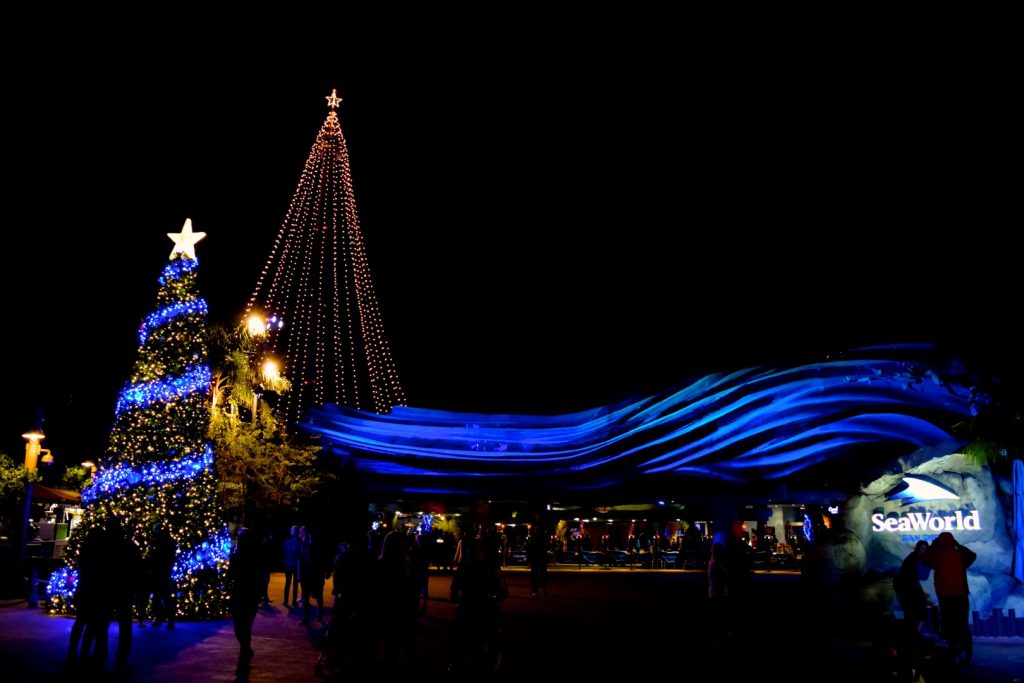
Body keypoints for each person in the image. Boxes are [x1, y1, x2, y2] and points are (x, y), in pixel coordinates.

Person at [923, 531, 976, 667]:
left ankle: (954, 655)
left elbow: (925, 558)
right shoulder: (960, 554)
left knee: (950, 626)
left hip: (945, 597)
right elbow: (972, 555)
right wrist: (957, 545)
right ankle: (968, 655)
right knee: (963, 626)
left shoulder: (937, 555)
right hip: (961, 596)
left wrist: (933, 545)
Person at [228, 528, 263, 677]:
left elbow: (258, 576)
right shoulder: (237, 557)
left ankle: (243, 659)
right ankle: (246, 651)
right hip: (242, 594)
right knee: (242, 627)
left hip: (247, 595)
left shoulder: (253, 557)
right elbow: (231, 575)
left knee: (243, 627)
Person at [893, 540, 931, 678]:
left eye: (925, 549)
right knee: (915, 613)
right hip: (907, 589)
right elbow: (921, 576)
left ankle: (912, 638)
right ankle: (912, 638)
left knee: (916, 612)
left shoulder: (914, 558)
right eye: (921, 548)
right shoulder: (914, 559)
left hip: (908, 589)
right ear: (918, 549)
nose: (923, 551)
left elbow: (920, 576)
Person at [281, 526, 302, 607]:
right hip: (295, 565)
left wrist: (284, 561)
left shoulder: (287, 541)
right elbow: (301, 554)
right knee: (294, 584)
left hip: (288, 565)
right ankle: (293, 601)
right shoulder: (299, 542)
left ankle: (286, 601)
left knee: (288, 583)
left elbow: (283, 551)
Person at [525, 528, 549, 597]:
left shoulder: (533, 538)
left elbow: (528, 548)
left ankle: (536, 590)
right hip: (540, 558)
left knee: (535, 575)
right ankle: (542, 590)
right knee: (542, 575)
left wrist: (529, 559)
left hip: (536, 558)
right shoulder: (543, 538)